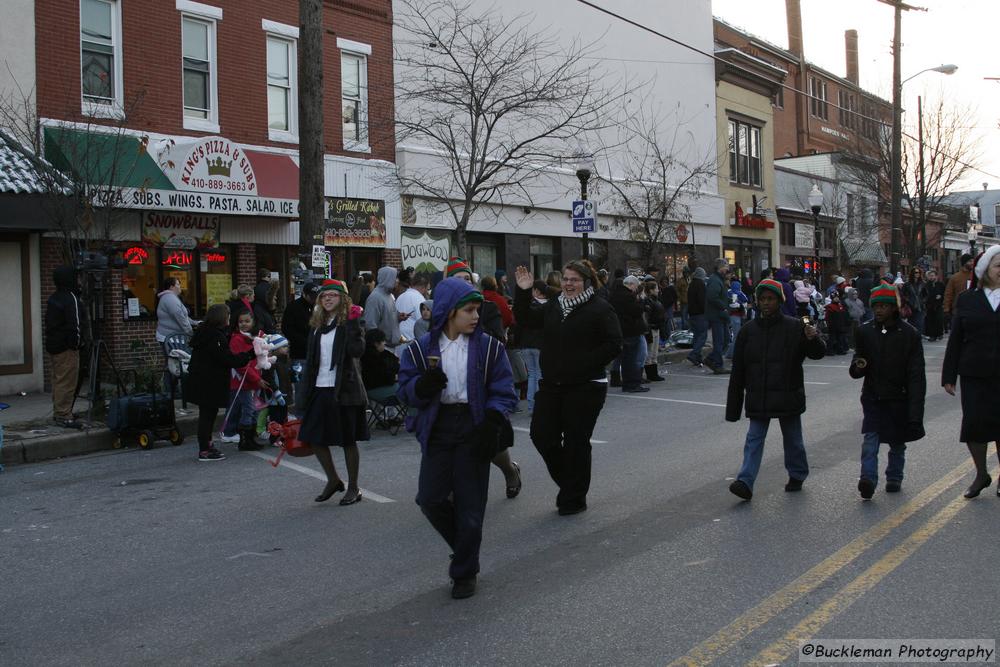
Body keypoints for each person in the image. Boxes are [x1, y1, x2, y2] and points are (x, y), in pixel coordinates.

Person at [397, 277, 518, 599]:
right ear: (450, 312)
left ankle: (464, 571)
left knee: (470, 505)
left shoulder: (490, 347)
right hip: (438, 427)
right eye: (469, 310)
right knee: (430, 498)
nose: (476, 316)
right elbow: (405, 388)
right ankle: (466, 550)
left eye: (477, 310)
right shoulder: (421, 351)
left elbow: (504, 390)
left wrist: (492, 419)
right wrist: (421, 388)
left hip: (474, 424)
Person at [514, 261, 623, 515]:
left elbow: (614, 344)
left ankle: (574, 497)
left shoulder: (600, 308)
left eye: (574, 279)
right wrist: (522, 291)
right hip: (552, 385)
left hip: (586, 386)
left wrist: (583, 363)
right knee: (542, 435)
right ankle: (570, 484)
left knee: (576, 442)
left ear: (586, 282)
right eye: (565, 279)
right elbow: (526, 318)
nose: (568, 284)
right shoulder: (555, 305)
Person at [725, 278, 826, 500]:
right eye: (762, 299)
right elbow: (739, 371)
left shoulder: (796, 325)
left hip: (787, 394)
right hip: (758, 395)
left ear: (779, 301)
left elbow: (817, 352)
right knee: (754, 439)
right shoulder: (748, 331)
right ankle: (745, 481)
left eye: (770, 299)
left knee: (793, 440)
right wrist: (733, 408)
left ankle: (797, 474)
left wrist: (813, 338)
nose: (766, 303)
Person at [445, 257, 522, 496]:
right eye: (458, 279)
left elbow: (499, 338)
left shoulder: (487, 307)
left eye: (467, 279)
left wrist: (471, 326)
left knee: (493, 445)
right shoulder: (443, 310)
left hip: (482, 384)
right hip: (451, 387)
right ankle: (453, 489)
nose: (464, 283)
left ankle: (510, 470)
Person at [849, 284, 925, 499]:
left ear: (894, 308)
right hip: (873, 396)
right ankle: (868, 479)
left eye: (884, 306)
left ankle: (894, 476)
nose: (879, 310)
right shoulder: (865, 331)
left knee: (897, 442)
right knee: (870, 439)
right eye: (876, 306)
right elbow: (857, 363)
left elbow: (916, 375)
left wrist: (915, 412)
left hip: (898, 396)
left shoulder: (909, 334)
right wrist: (858, 366)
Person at [299, 279, 368, 505]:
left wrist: (354, 324)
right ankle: (333, 479)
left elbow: (357, 351)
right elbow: (311, 361)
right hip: (320, 388)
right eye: (324, 295)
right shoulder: (318, 324)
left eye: (333, 295)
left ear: (343, 299)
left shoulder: (349, 322)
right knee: (313, 437)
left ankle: (354, 488)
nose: (328, 298)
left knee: (348, 440)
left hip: (345, 390)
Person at [942, 246, 1000, 499]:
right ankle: (981, 474)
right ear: (984, 269)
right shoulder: (968, 299)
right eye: (998, 266)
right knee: (975, 425)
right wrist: (948, 376)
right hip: (974, 372)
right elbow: (956, 339)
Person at [184, 304, 254, 461]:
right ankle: (205, 449)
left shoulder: (206, 333)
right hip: (208, 381)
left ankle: (207, 444)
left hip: (202, 379)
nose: (229, 318)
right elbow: (228, 359)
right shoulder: (215, 337)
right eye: (228, 315)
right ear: (222, 317)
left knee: (208, 414)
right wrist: (250, 355)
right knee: (208, 415)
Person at [220, 309, 267, 450]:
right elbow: (240, 365)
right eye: (241, 322)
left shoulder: (256, 338)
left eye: (247, 321)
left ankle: (250, 437)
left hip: (254, 379)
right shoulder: (236, 339)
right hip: (243, 381)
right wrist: (256, 379)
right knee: (248, 409)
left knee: (254, 410)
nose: (244, 324)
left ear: (253, 322)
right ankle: (245, 439)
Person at [45, 266, 85, 428]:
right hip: (66, 347)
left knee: (57, 380)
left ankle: (60, 411)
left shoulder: (54, 297)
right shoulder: (70, 298)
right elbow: (74, 324)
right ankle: (63, 414)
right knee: (67, 381)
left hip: (53, 345)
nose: (79, 281)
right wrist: (76, 344)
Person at [282, 282, 318, 409]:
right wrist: (305, 341)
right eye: (311, 296)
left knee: (314, 387)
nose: (314, 299)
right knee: (301, 387)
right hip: (300, 354)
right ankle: (300, 415)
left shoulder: (317, 307)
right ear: (304, 294)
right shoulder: (293, 307)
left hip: (315, 353)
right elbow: (287, 329)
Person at [155, 277, 194, 394]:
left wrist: (195, 323)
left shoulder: (171, 298)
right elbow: (181, 319)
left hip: (171, 337)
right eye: (178, 284)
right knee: (174, 364)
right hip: (170, 338)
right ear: (171, 286)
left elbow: (184, 317)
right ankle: (171, 392)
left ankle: (172, 391)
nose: (180, 286)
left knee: (173, 363)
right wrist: (191, 333)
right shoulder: (170, 299)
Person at [611, 275, 649, 392]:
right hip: (631, 330)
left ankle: (628, 383)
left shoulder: (614, 295)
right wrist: (642, 303)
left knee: (626, 358)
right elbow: (636, 311)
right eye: (636, 286)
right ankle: (632, 384)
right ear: (631, 284)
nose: (636, 289)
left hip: (621, 330)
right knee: (632, 359)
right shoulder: (628, 296)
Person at [518, 280, 548, 411]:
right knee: (539, 374)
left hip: (526, 344)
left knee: (531, 374)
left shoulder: (527, 306)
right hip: (540, 344)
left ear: (536, 291)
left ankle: (531, 405)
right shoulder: (548, 306)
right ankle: (538, 404)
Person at [363, 266, 404, 355]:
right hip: (382, 349)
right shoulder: (375, 298)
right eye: (394, 277)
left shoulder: (388, 295)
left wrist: (398, 317)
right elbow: (370, 324)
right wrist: (378, 345)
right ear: (387, 279)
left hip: (391, 347)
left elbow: (386, 316)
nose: (397, 280)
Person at [704, 259, 731, 374]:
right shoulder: (715, 280)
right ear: (720, 267)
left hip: (721, 315)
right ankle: (718, 364)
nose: (727, 269)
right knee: (720, 341)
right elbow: (712, 296)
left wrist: (728, 301)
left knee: (725, 340)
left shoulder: (719, 280)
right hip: (717, 316)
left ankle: (711, 359)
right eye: (726, 267)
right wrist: (723, 307)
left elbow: (719, 296)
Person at [361, 328, 400, 402]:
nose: (385, 343)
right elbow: (378, 378)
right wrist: (394, 376)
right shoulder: (367, 358)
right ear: (376, 343)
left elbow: (397, 366)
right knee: (411, 390)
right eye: (383, 341)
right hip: (374, 389)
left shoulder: (384, 354)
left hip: (387, 385)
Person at [642, 279, 666, 381]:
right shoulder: (648, 301)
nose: (658, 290)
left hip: (657, 328)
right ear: (651, 290)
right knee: (650, 352)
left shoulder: (656, 300)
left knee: (654, 353)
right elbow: (647, 317)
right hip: (651, 328)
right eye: (656, 288)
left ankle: (654, 374)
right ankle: (650, 374)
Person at [396, 274, 429, 343]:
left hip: (398, 336)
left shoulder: (400, 296)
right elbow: (422, 321)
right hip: (411, 339)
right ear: (423, 287)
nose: (427, 292)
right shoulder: (420, 299)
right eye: (427, 289)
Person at [686, 267, 708, 367]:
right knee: (703, 335)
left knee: (697, 336)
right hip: (700, 314)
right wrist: (706, 311)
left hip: (692, 314)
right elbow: (702, 300)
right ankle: (694, 354)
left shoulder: (691, 285)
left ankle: (697, 357)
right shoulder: (701, 285)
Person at [943, 253, 974, 323]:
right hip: (958, 311)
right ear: (964, 263)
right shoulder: (955, 278)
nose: (972, 263)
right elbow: (948, 294)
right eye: (970, 261)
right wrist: (946, 310)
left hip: (973, 310)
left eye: (973, 261)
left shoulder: (976, 276)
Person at [724, 278, 748, 360]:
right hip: (737, 316)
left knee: (731, 335)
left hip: (728, 316)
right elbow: (746, 300)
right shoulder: (740, 293)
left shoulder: (728, 292)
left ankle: (730, 353)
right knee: (736, 336)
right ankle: (731, 354)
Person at [824, 290, 850, 355]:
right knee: (832, 339)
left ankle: (840, 350)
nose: (837, 298)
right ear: (832, 298)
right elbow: (828, 317)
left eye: (837, 297)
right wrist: (829, 325)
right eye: (835, 297)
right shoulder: (830, 307)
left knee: (840, 338)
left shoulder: (840, 306)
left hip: (840, 325)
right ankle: (829, 350)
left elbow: (843, 315)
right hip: (833, 325)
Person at [902, 267, 926, 334]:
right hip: (910, 307)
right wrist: (907, 300)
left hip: (920, 307)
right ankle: (911, 336)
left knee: (920, 323)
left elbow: (926, 295)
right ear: (912, 273)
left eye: (918, 272)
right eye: (916, 272)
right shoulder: (907, 284)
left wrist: (923, 301)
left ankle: (918, 336)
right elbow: (902, 294)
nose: (917, 274)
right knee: (911, 323)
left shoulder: (923, 284)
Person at [923, 269, 946, 341]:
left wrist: (941, 296)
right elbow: (924, 294)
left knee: (939, 319)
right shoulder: (927, 285)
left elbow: (945, 293)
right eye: (930, 276)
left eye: (932, 276)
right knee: (930, 321)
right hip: (929, 305)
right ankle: (932, 336)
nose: (931, 277)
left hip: (938, 305)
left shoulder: (941, 284)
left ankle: (939, 334)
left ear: (936, 276)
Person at [253, 270, 277, 334]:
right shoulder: (270, 288)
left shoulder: (255, 288)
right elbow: (271, 303)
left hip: (257, 312)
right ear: (265, 277)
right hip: (267, 314)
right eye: (269, 276)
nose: (270, 278)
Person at [659, 276, 677, 343]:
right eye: (663, 282)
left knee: (668, 321)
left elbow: (675, 296)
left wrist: (673, 303)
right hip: (663, 307)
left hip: (669, 306)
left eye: (666, 282)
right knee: (665, 321)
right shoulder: (661, 289)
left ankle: (668, 335)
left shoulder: (670, 288)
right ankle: (665, 335)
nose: (665, 283)